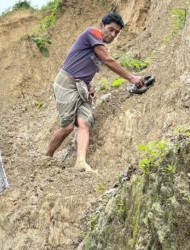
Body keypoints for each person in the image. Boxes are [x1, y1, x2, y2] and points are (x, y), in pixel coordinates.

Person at [45, 12, 144, 172]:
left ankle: (81, 162)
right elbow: (108, 60)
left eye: (116, 33)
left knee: (84, 123)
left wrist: (89, 87)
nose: (112, 35)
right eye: (110, 29)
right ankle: (46, 158)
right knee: (68, 127)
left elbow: (85, 67)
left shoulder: (99, 45)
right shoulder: (92, 33)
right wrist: (132, 78)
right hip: (66, 83)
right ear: (101, 26)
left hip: (82, 86)